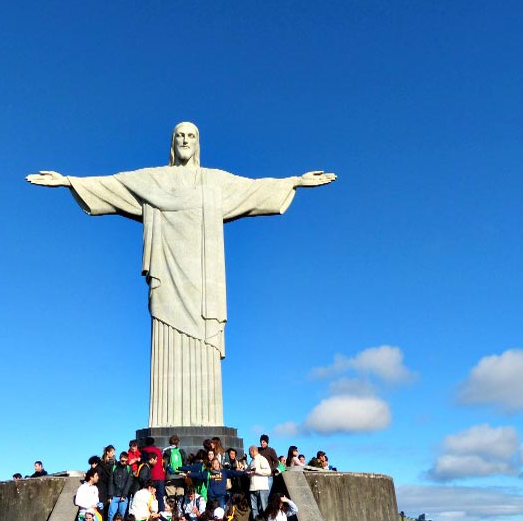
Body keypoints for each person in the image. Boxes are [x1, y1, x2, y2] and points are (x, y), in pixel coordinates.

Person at [26, 123, 336, 430]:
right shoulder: (154, 179)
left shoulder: (214, 181)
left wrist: (295, 181)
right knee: (166, 337)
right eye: (179, 135)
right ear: (172, 143)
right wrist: (68, 181)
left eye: (191, 136)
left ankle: (205, 420)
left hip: (203, 284)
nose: (185, 140)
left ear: (198, 143)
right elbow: (114, 184)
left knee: (203, 342)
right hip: (167, 278)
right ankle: (165, 421)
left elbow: (254, 188)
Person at [141, 437, 167, 511]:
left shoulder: (145, 451)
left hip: (152, 477)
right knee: (160, 497)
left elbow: (144, 463)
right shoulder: (158, 451)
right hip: (161, 476)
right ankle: (161, 513)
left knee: (150, 496)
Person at [246, 445, 272, 518]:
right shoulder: (251, 461)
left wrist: (256, 471)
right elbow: (247, 471)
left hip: (262, 488)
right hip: (252, 488)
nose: (249, 454)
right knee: (254, 509)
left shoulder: (262, 459)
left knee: (264, 508)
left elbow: (268, 471)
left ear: (253, 451)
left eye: (249, 452)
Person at [109, 452, 133, 521]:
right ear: (119, 459)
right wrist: (110, 495)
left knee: (121, 515)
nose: (124, 463)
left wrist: (124, 495)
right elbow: (110, 481)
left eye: (126, 461)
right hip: (114, 495)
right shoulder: (114, 467)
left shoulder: (129, 468)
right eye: (122, 461)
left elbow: (129, 483)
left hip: (123, 496)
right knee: (111, 515)